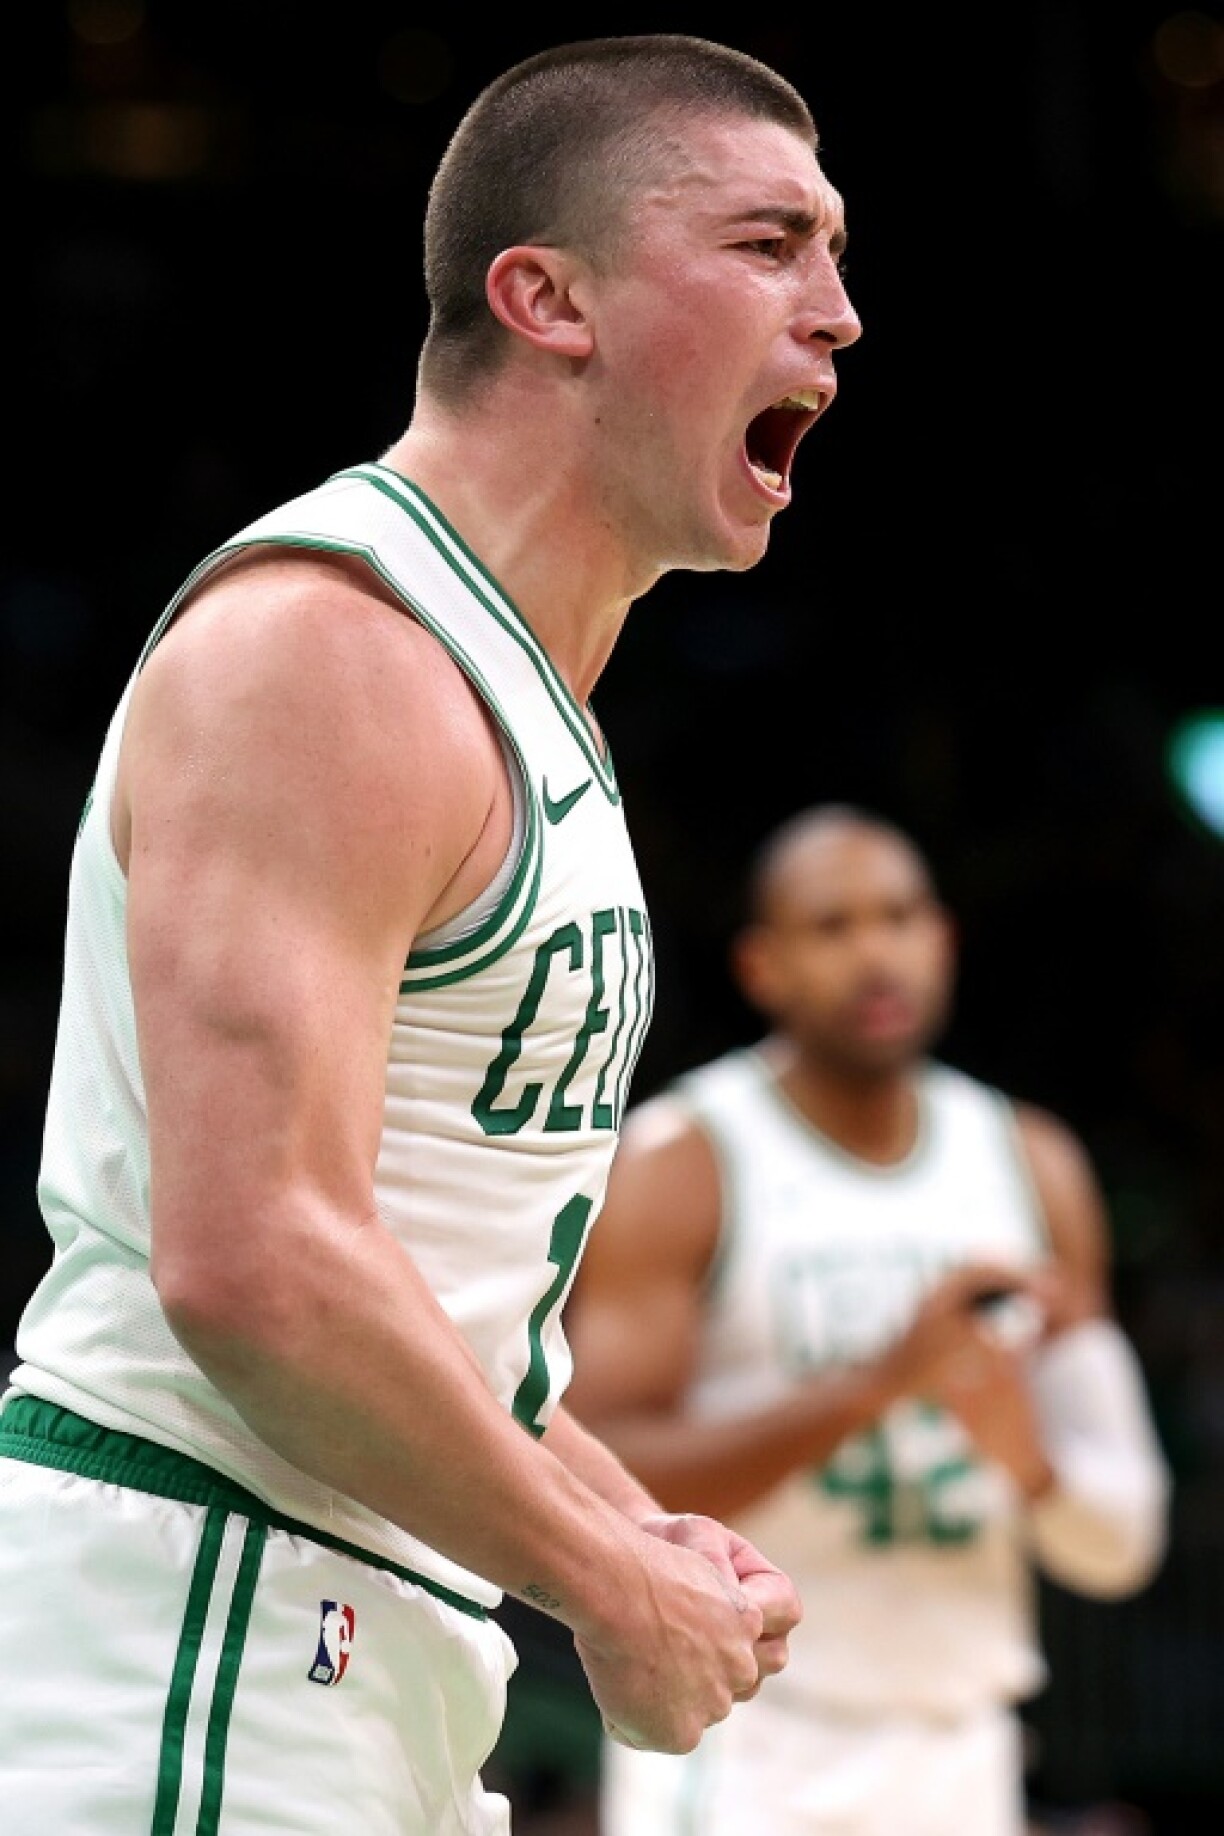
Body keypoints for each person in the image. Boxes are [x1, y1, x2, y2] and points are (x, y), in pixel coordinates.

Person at [0, 35, 863, 1836]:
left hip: (338, 1634)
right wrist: (604, 1587)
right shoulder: (328, 648)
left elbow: (402, 1287)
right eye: (770, 246)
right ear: (544, 297)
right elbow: (257, 1264)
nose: (837, 314)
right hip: (195, 1629)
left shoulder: (515, 691)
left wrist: (630, 1528)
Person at [563, 803, 1172, 1836]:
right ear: (763, 966)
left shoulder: (1034, 1166)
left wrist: (1030, 1464)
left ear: (943, 940)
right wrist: (876, 1386)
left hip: (961, 1736)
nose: (875, 954)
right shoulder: (685, 1161)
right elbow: (599, 1469)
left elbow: (1121, 1540)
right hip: (747, 1734)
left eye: (896, 917)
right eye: (832, 927)